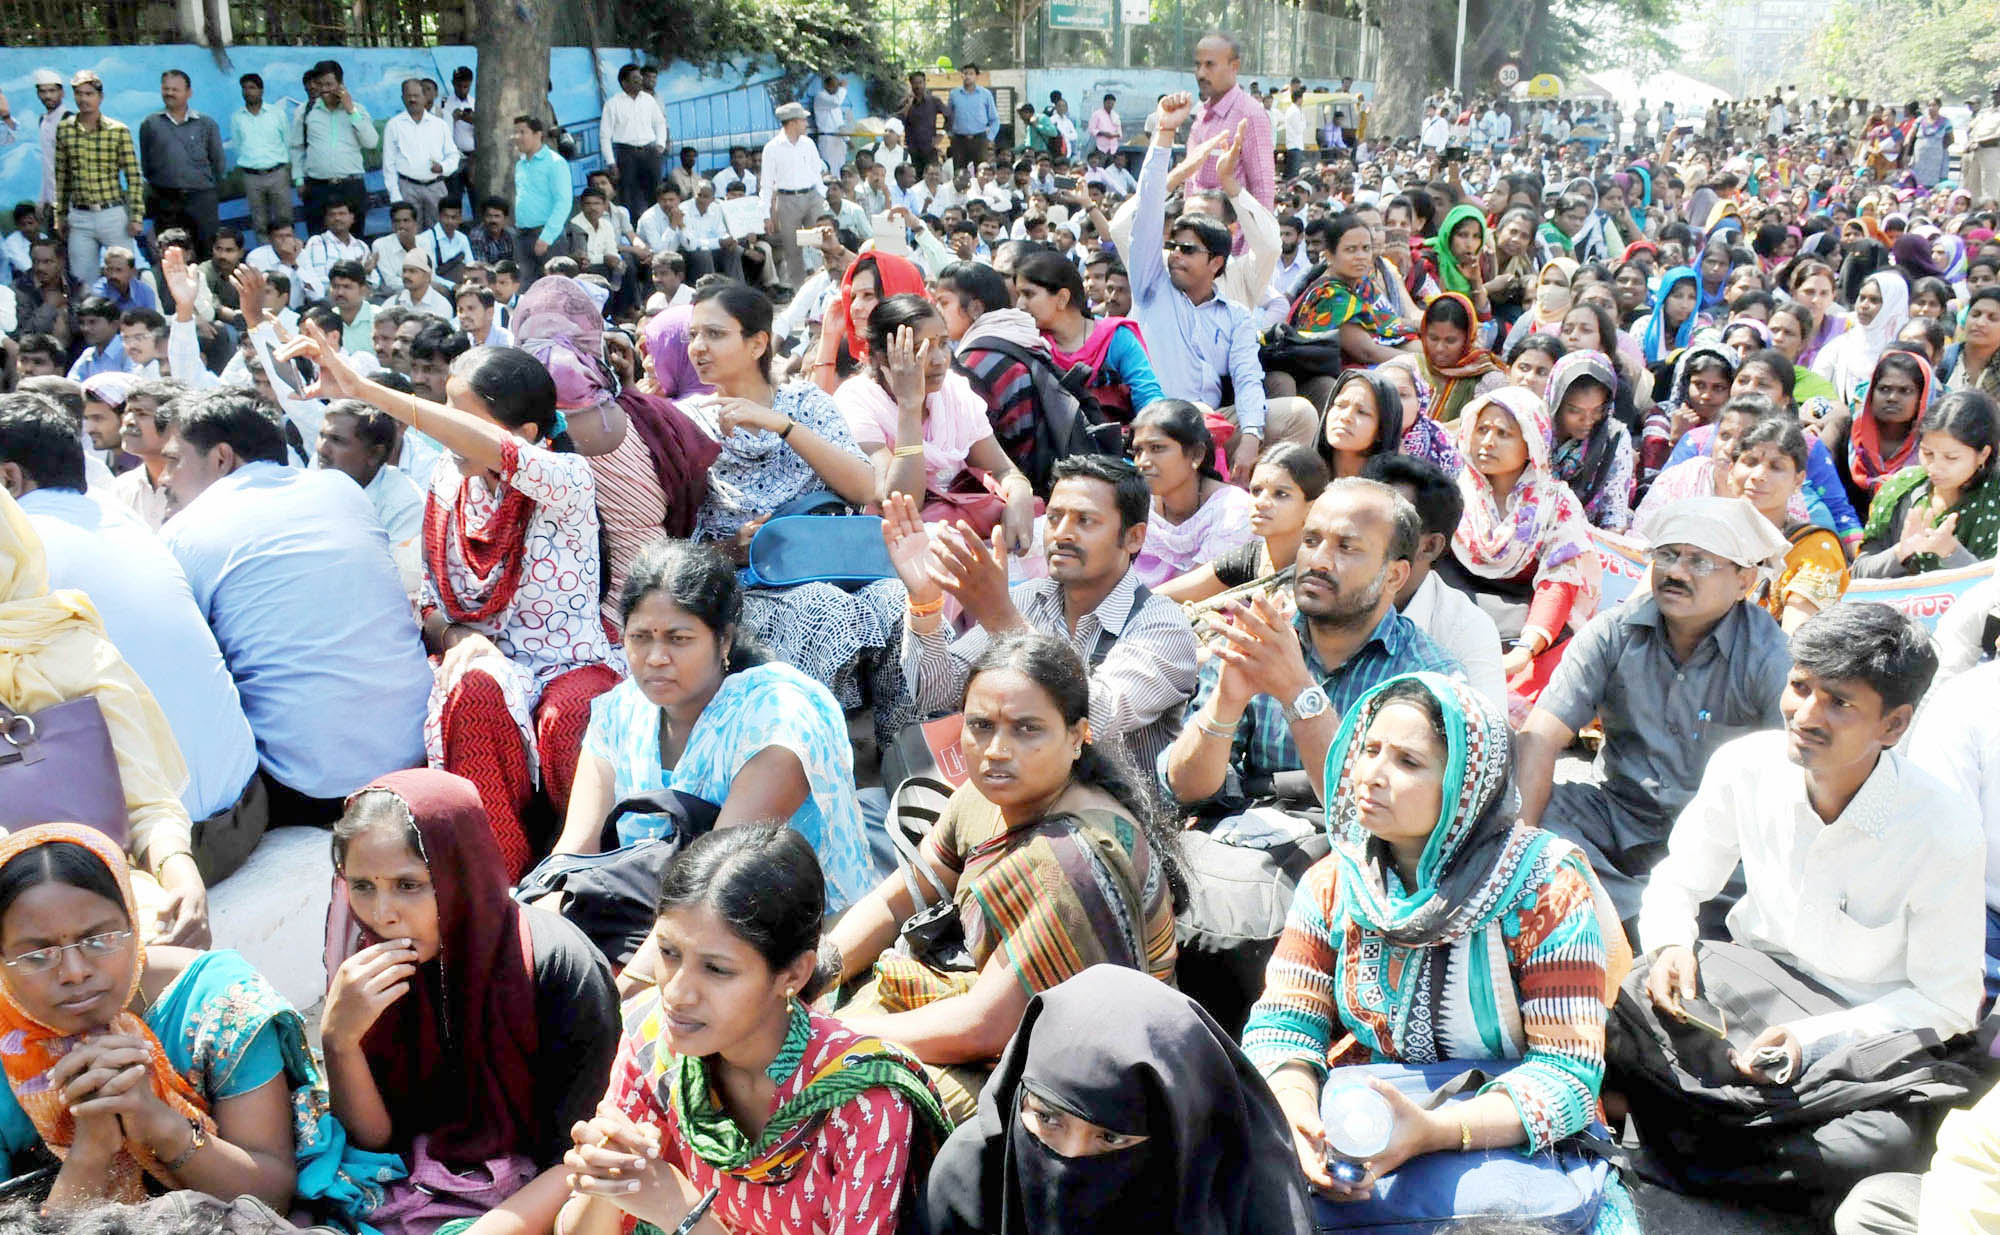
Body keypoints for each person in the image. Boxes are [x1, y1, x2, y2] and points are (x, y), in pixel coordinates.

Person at [1609, 604, 1984, 1212]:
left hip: (1858, 1031)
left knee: (1876, 1148)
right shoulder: (1746, 766)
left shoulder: (1943, 830)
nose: (1805, 715)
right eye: (1800, 686)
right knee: (1619, 989)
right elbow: (1679, 882)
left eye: (1839, 703)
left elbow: (1948, 1002)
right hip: (1743, 987)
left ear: (1894, 725)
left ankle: (1673, 1129)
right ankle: (1716, 1137)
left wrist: (1813, 1040)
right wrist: (1672, 944)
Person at [1242, 673, 1635, 1229]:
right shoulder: (1337, 881)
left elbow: (1567, 1073)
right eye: (1369, 749)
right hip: (1368, 1121)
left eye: (1407, 762)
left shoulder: (1542, 887)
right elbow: (1285, 1020)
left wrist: (1435, 1132)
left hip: (1512, 1135)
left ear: (1464, 787)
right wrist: (1298, 1113)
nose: (1371, 775)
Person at [272, 326, 620, 878]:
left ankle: (595, 866)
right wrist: (457, 635)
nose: (448, 434)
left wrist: (368, 389)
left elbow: (502, 454)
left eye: (464, 421)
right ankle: (496, 883)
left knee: (571, 711)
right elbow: (430, 606)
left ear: (527, 432)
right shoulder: (447, 481)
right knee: (475, 690)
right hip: (478, 661)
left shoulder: (566, 477)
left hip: (566, 661)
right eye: (445, 414)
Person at [824, 632, 1184, 1123]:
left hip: (1055, 1077)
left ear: (1078, 737)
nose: (996, 750)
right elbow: (899, 900)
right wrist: (812, 974)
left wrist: (832, 1037)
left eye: (1027, 729)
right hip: (976, 1001)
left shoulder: (1071, 861)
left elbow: (984, 1027)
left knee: (845, 1097)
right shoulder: (986, 795)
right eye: (980, 726)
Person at [557, 825, 949, 1235]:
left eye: (717, 969)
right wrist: (605, 1179)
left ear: (793, 973)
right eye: (669, 953)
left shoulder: (863, 1100)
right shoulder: (655, 1041)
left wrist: (684, 1213)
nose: (675, 992)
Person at [0, 824, 398, 1220]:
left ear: (133, 925)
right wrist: (93, 1147)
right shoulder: (9, 1035)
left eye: (99, 939)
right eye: (37, 956)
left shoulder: (220, 1004)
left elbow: (272, 1198)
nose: (74, 972)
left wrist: (153, 1118)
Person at [324, 770, 619, 1230]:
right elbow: (378, 1142)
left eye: (409, 885)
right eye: (362, 886)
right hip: (415, 1182)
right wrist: (339, 1039)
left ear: (460, 872)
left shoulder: (559, 970)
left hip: (545, 1195)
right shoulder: (371, 971)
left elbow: (585, 1156)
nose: (382, 914)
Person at [1, 394, 265, 885]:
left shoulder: (22, 560)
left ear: (9, 479)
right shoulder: (120, 518)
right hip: (245, 807)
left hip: (170, 850)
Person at [158, 390, 430, 826]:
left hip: (307, 788)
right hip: (416, 748)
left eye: (174, 460)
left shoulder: (185, 532)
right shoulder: (341, 489)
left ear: (222, 458)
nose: (163, 477)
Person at [1517, 496, 1792, 927]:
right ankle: (1649, 918)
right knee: (1536, 813)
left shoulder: (1767, 652)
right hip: (1619, 817)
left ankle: (1612, 913)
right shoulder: (1612, 632)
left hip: (1716, 841)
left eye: (1699, 561)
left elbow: (1795, 769)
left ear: (1745, 581)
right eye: (1668, 555)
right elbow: (1539, 736)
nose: (1677, 572)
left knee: (1761, 881)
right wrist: (1520, 842)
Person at [557, 539, 873, 910]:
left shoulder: (778, 724)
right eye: (640, 638)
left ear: (723, 641)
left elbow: (712, 887)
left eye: (679, 639)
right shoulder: (619, 714)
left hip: (762, 926)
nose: (656, 658)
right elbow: (574, 852)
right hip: (645, 910)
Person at [926, 965, 1313, 1235]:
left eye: (1110, 1139)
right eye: (1047, 1119)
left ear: (1177, 1143)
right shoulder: (971, 1183)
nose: (1069, 1161)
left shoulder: (1241, 1209)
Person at [678, 281, 905, 722]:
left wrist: (782, 425)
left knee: (898, 602)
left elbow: (863, 488)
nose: (698, 347)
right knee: (823, 609)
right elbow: (677, 531)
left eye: (714, 334)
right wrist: (731, 549)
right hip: (749, 578)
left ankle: (901, 753)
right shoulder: (688, 422)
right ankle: (808, 751)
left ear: (757, 343)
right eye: (693, 336)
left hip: (831, 563)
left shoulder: (804, 402)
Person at [1163, 478, 1462, 813]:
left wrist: (1297, 692)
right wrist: (1226, 704)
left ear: (1394, 576)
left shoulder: (1429, 678)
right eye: (1310, 540)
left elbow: (1366, 816)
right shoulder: (1258, 641)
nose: (1318, 560)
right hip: (1242, 847)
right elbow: (1186, 790)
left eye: (1346, 547)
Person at [892, 453, 1200, 775]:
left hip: (1112, 813)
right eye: (1053, 518)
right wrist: (925, 601)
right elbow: (936, 693)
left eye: (1085, 521)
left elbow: (1100, 717)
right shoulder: (1028, 600)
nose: (1062, 534)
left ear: (1134, 536)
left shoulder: (1161, 625)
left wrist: (1004, 622)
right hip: (1018, 793)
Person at [0, 487, 212, 944]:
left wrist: (181, 873)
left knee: (181, 954)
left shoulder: (71, 649)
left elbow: (148, 803)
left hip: (93, 891)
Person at [1131, 93, 1309, 480]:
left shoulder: (1236, 312)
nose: (1174, 256)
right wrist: (1164, 135)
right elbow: (1145, 211)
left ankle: (1266, 499)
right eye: (1172, 246)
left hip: (1212, 423)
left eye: (1188, 250)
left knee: (1299, 415)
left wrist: (1250, 433)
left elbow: (1247, 378)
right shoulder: (1151, 286)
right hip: (1154, 419)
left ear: (1215, 263)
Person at [1441, 387, 1600, 715]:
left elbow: (1558, 583)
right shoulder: (1451, 494)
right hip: (1458, 617)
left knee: (1560, 676)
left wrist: (1524, 651)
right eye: (1482, 430)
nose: (1487, 442)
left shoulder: (1555, 503)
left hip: (1525, 627)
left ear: (1531, 443)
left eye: (1503, 433)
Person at [834, 293, 1035, 541]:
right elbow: (902, 500)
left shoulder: (954, 391)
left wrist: (1019, 494)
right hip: (902, 542)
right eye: (921, 349)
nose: (939, 360)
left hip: (967, 525)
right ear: (880, 356)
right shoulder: (856, 399)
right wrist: (909, 406)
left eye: (942, 343)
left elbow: (1003, 469)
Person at [1363, 453, 1508, 710]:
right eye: (1362, 516)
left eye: (1385, 521)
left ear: (1429, 546)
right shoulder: (1318, 589)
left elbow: (1488, 739)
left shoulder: (1466, 629)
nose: (1359, 532)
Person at [1158, 442, 1328, 608]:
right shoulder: (1251, 558)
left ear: (1312, 507)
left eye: (1281, 494)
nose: (1260, 502)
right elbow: (1159, 596)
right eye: (1256, 491)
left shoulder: (1321, 572)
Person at [1854, 389, 1999, 577]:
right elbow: (1859, 572)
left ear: (1983, 454)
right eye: (1927, 453)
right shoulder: (1901, 490)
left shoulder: (1994, 499)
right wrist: (1901, 551)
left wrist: (1951, 552)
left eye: (1951, 457)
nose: (1935, 467)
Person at [1014, 249, 1163, 427]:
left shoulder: (1115, 337)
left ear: (1062, 298)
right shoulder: (1028, 343)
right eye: (1019, 295)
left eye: (1028, 294)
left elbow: (1148, 398)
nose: (1020, 304)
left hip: (1116, 449)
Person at [1731, 417, 1850, 632]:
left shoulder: (1813, 549)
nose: (1758, 476)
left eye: (1776, 467)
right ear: (1732, 469)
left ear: (1798, 480)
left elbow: (1794, 643)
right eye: (1750, 462)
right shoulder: (1703, 536)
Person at [1279, 214, 1417, 386]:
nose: (1361, 256)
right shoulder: (1330, 295)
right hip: (1332, 378)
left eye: (1366, 248)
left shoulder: (1362, 283)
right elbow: (1366, 352)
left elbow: (1391, 325)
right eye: (1351, 250)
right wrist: (1421, 362)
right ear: (1329, 255)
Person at [1130, 398, 1255, 588]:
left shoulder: (1233, 509)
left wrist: (1134, 606)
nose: (1143, 462)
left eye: (1157, 448)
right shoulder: (1138, 505)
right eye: (1138, 451)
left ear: (1196, 455)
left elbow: (1204, 587)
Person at [52, 71, 144, 285]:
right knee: (82, 280)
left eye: (89, 93)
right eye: (79, 93)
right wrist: (61, 216)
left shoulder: (118, 130)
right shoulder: (65, 129)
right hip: (80, 216)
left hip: (112, 214)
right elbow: (62, 177)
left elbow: (133, 176)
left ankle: (130, 318)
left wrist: (136, 216)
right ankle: (89, 318)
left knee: (124, 275)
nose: (84, 99)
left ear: (100, 97)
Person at [1822, 347, 1934, 521]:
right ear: (1870, 394)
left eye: (1905, 391)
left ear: (1922, 398)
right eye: (1884, 389)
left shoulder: (1931, 447)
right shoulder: (1844, 435)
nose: (1892, 398)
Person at [1547, 350, 1636, 533]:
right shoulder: (1538, 430)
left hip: (1590, 536)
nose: (1588, 421)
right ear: (1556, 402)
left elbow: (1613, 514)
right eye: (1574, 411)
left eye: (1597, 410)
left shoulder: (1613, 438)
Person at [138, 71, 224, 258]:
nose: (169, 93)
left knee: (206, 251)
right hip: (166, 200)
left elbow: (218, 162)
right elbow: (147, 164)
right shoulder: (150, 124)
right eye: (166, 89)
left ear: (188, 93)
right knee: (171, 254)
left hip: (201, 199)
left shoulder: (206, 124)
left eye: (175, 89)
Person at [288, 60, 375, 239]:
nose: (325, 89)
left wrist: (351, 110)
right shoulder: (305, 111)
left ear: (340, 84)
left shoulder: (358, 109)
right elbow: (296, 148)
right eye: (320, 84)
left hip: (351, 186)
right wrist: (298, 181)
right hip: (318, 188)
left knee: (355, 239)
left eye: (329, 84)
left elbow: (371, 142)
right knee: (318, 240)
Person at [1187, 33, 1275, 208]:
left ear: (1234, 66)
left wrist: (1259, 235)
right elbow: (1192, 182)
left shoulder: (1250, 114)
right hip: (1197, 228)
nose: (1201, 74)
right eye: (1198, 65)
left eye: (1209, 65)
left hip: (1233, 233)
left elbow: (1263, 188)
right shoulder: (1201, 114)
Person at [1813, 271, 1911, 407]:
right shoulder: (1840, 347)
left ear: (1893, 305)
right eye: (1862, 297)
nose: (1864, 305)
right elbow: (1816, 392)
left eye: (1874, 300)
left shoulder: (1907, 352)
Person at [761, 102, 828, 291]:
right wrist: (765, 214)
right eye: (802, 120)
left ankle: (823, 287)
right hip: (787, 200)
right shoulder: (772, 148)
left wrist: (821, 196)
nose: (806, 123)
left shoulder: (808, 144)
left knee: (820, 242)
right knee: (792, 250)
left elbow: (817, 173)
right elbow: (766, 184)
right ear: (792, 122)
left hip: (812, 197)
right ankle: (801, 292)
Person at [380, 78, 458, 232]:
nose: (412, 99)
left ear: (425, 97)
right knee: (409, 235)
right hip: (407, 189)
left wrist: (442, 167)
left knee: (439, 234)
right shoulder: (394, 125)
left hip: (436, 187)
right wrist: (396, 198)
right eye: (408, 96)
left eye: (416, 95)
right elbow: (388, 165)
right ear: (402, 98)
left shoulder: (439, 124)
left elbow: (453, 155)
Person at [1415, 292, 1497, 425]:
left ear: (1468, 338)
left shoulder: (1488, 379)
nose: (1439, 348)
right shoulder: (1412, 368)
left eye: (1450, 341)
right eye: (1433, 338)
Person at [601, 64, 668, 224]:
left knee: (655, 192)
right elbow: (605, 136)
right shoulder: (613, 104)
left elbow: (660, 123)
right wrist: (611, 163)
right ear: (624, 83)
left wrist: (660, 145)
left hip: (650, 152)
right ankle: (632, 232)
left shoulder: (649, 100)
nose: (640, 82)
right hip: (626, 154)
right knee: (629, 195)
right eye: (635, 79)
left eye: (640, 78)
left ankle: (658, 227)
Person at [510, 115, 570, 283]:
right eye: (515, 133)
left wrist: (547, 237)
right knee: (526, 289)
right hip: (523, 236)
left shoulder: (555, 163)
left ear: (538, 134)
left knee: (554, 287)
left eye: (522, 132)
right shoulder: (520, 165)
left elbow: (563, 202)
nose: (517, 137)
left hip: (547, 236)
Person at [947, 65, 999, 171]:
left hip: (980, 139)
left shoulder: (985, 94)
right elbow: (948, 116)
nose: (967, 76)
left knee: (982, 172)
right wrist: (950, 134)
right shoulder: (954, 94)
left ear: (976, 76)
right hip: (959, 140)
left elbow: (994, 119)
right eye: (965, 73)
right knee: (959, 172)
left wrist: (989, 138)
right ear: (962, 75)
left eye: (971, 74)